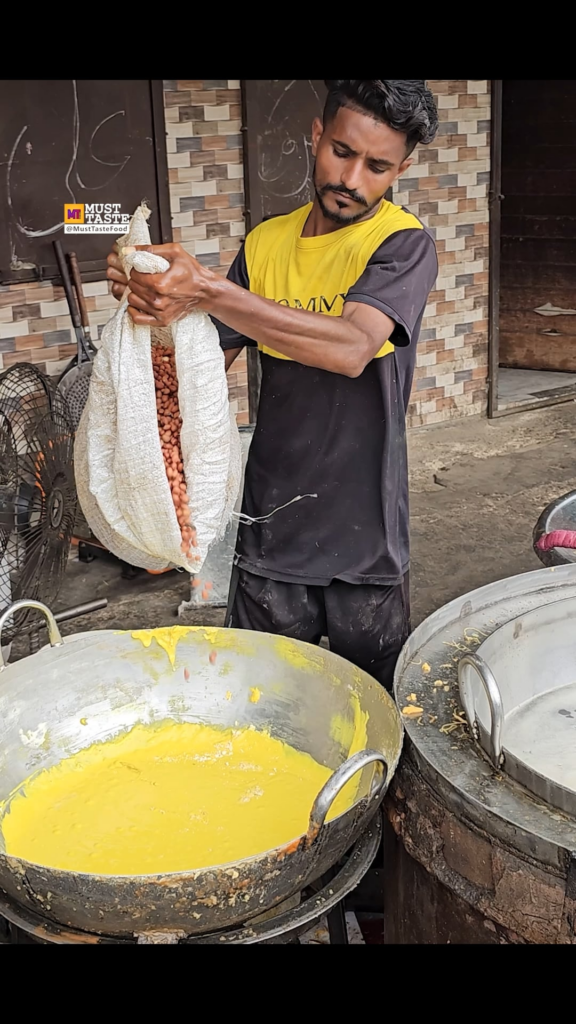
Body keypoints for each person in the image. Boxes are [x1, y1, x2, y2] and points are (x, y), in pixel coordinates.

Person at [106, 79, 439, 692]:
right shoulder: (264, 244)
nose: (353, 179)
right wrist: (148, 296)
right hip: (269, 530)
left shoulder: (402, 245)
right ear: (316, 136)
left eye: (378, 166)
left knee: (370, 708)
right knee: (262, 700)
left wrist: (208, 289)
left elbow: (351, 347)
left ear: (401, 169)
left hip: (362, 535)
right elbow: (203, 359)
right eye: (342, 151)